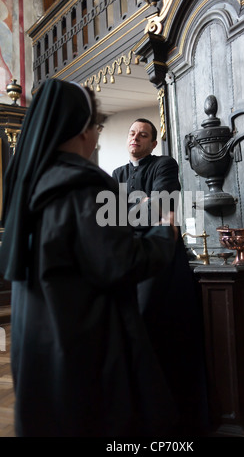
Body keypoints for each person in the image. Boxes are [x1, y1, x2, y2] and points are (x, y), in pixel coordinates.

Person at [0, 79, 180, 437]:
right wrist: (165, 233)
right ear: (82, 131)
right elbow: (121, 262)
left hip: (40, 336)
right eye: (97, 128)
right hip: (83, 340)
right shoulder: (82, 186)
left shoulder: (35, 182)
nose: (97, 138)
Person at [112, 119, 210, 436]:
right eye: (132, 133)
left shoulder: (164, 163)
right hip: (131, 262)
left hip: (164, 263)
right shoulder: (116, 175)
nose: (135, 137)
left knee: (167, 337)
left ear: (153, 143)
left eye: (143, 134)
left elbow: (164, 206)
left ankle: (176, 420)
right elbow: (109, 217)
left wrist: (128, 210)